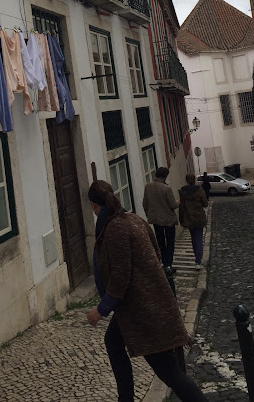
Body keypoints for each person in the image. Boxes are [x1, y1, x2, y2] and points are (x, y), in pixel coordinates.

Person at [86, 180, 208, 402]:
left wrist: (101, 310)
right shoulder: (133, 220)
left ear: (94, 206)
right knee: (113, 342)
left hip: (144, 310)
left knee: (167, 370)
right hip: (141, 304)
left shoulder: (115, 229)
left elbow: (120, 277)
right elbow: (156, 254)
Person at [142, 167, 178, 273]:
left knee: (160, 242)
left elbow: (145, 203)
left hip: (156, 220)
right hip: (168, 220)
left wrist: (148, 214)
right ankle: (168, 264)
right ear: (165, 176)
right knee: (170, 242)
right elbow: (173, 205)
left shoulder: (148, 187)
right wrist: (178, 202)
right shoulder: (166, 188)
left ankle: (163, 262)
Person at [179, 173, 208, 269]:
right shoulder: (199, 190)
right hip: (199, 217)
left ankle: (197, 258)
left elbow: (182, 207)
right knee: (199, 239)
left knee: (193, 239)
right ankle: (198, 261)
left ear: (186, 180)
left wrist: (181, 219)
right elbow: (205, 203)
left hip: (189, 218)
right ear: (194, 180)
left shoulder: (183, 191)